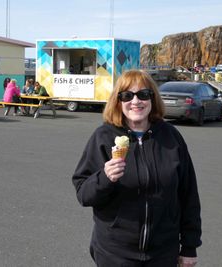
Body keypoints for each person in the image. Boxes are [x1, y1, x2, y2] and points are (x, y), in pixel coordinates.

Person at [72, 70, 201, 267]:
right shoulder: (103, 137)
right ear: (118, 100)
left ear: (152, 98)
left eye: (143, 94)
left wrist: (189, 247)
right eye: (127, 95)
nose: (135, 101)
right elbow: (83, 194)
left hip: (163, 252)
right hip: (115, 253)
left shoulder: (171, 137)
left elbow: (188, 195)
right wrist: (105, 177)